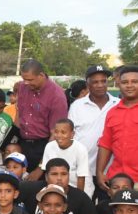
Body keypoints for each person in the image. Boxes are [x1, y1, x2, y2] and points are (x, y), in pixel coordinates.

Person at [18, 158, 101, 214]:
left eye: (64, 174)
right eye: (54, 174)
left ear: (69, 176)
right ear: (46, 177)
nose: (59, 178)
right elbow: (7, 195)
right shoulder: (30, 188)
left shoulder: (80, 196)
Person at [69, 65, 118, 198]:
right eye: (95, 82)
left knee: (107, 209)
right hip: (82, 170)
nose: (100, 85)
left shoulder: (118, 105)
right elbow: (70, 136)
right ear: (88, 84)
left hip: (109, 171)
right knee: (84, 211)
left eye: (103, 81)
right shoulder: (77, 106)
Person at [16, 59, 68, 173]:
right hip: (22, 144)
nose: (26, 83)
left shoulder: (57, 96)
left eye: (30, 80)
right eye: (24, 79)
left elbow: (56, 135)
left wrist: (41, 167)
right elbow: (18, 115)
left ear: (41, 75)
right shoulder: (22, 87)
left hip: (43, 147)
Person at [97, 65, 138, 193]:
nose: (129, 85)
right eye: (125, 82)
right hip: (117, 179)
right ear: (119, 84)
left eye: (135, 82)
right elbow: (106, 144)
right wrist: (99, 172)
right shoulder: (112, 113)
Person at [38, 118, 91, 193]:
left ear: (72, 134)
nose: (59, 135)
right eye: (56, 132)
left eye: (63, 132)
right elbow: (47, 173)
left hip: (78, 188)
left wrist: (79, 198)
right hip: (56, 187)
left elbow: (81, 178)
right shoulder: (49, 146)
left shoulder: (81, 149)